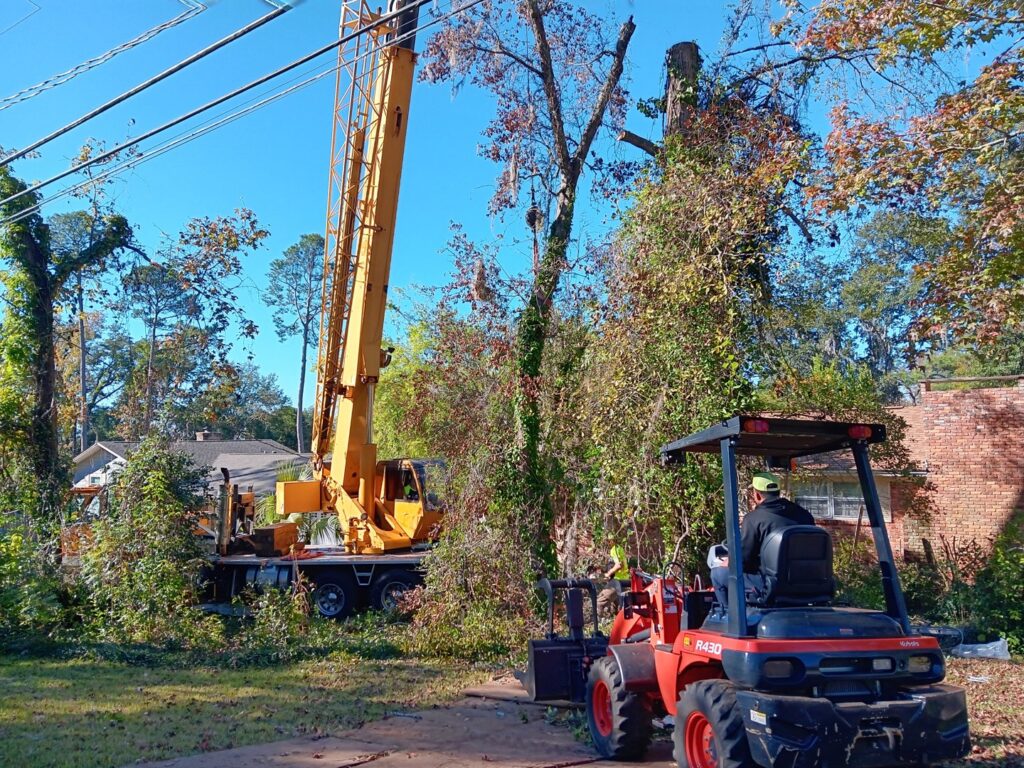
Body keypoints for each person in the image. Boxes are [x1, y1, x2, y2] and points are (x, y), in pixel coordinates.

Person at [710, 471, 815, 611]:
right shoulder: (805, 516)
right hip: (806, 583)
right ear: (778, 491)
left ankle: (730, 620)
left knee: (718, 573)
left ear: (757, 495)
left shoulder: (754, 519)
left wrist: (728, 561)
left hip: (771, 585)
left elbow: (742, 561)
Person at [596, 535, 630, 618]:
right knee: (618, 610)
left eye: (608, 541)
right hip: (624, 581)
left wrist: (608, 573)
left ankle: (599, 625)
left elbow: (619, 565)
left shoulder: (614, 550)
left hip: (617, 582)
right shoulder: (619, 549)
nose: (607, 543)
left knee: (599, 603)